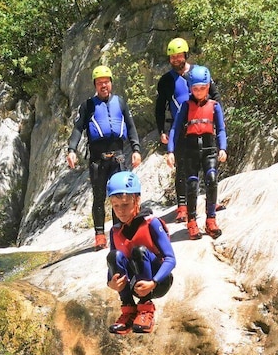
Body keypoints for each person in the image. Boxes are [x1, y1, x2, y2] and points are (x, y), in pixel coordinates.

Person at [67, 65, 142, 250]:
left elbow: (131, 127)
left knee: (120, 196)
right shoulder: (88, 106)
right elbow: (78, 129)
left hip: (117, 157)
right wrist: (71, 149)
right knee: (99, 197)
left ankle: (119, 232)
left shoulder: (121, 103)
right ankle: (100, 236)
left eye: (106, 82)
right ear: (95, 85)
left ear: (111, 83)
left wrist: (136, 149)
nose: (103, 86)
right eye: (100, 83)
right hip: (98, 159)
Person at [154, 37, 221, 223]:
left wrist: (216, 120)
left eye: (179, 56)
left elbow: (215, 96)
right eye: (172, 57)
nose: (176, 59)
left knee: (209, 167)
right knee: (182, 168)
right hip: (180, 128)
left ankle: (210, 203)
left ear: (185, 55)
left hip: (204, 125)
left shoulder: (201, 73)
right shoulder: (166, 81)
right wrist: (162, 130)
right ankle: (182, 207)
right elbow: (160, 108)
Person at [105, 171, 175, 334]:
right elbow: (113, 264)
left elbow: (171, 259)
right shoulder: (115, 231)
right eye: (116, 206)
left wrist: (154, 282)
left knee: (139, 251)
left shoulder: (152, 223)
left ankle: (146, 309)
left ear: (137, 200)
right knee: (114, 256)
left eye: (125, 204)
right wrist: (110, 282)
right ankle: (128, 311)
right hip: (134, 283)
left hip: (158, 282)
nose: (121, 211)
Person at [166, 65, 227, 240]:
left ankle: (211, 220)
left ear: (208, 87)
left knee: (212, 180)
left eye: (202, 88)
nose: (199, 92)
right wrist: (170, 150)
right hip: (190, 149)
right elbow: (176, 129)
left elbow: (221, 129)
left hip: (209, 149)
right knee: (192, 185)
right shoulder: (185, 106)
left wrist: (222, 147)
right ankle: (191, 222)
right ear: (190, 88)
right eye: (195, 88)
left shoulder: (214, 106)